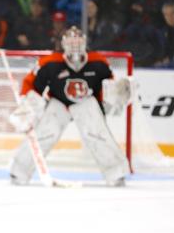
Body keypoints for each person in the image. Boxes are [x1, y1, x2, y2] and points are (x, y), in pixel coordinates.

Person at [8, 27, 130, 187]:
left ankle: (116, 173)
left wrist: (117, 96)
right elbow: (31, 84)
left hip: (86, 103)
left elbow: (108, 89)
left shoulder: (98, 62)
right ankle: (19, 171)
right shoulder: (50, 62)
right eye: (70, 41)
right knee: (45, 134)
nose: (74, 45)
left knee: (97, 134)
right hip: (59, 103)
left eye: (78, 40)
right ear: (63, 43)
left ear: (85, 42)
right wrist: (28, 105)